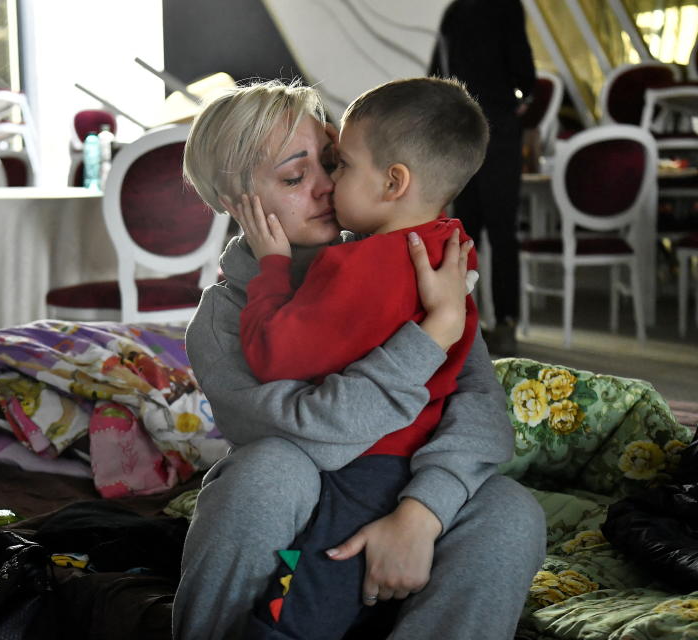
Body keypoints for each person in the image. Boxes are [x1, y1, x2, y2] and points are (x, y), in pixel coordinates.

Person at [174, 79, 545, 640]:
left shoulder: (403, 259)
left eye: (332, 162)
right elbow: (315, 433)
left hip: (410, 505)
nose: (326, 187)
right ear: (235, 205)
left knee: (513, 512)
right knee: (270, 470)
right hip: (307, 513)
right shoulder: (221, 320)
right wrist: (430, 337)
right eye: (296, 177)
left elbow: (481, 408)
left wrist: (422, 513)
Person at [429, 0, 536, 355]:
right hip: (499, 129)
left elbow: (435, 77)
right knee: (503, 232)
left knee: (464, 231)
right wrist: (523, 98)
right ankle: (505, 321)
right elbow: (524, 72)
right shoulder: (506, 8)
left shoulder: (454, 11)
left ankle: (461, 320)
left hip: (460, 132)